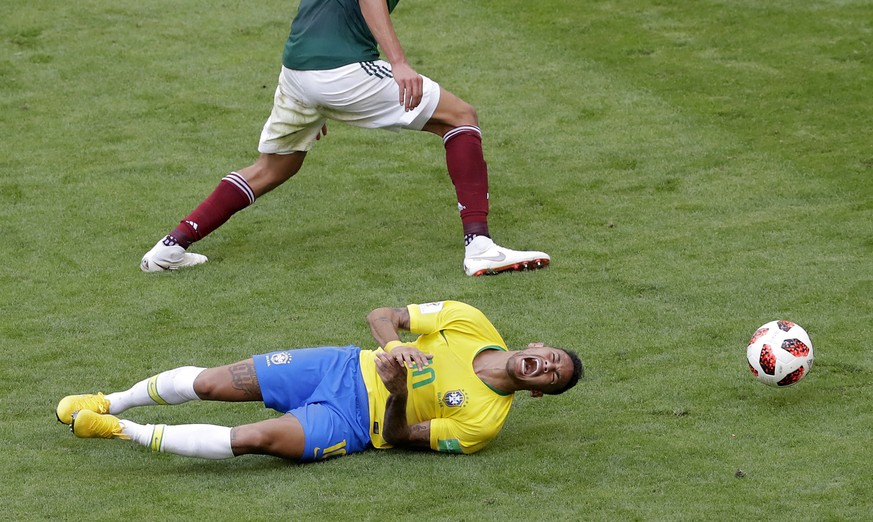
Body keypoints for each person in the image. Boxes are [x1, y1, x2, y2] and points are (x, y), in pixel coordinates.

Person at [139, 0, 550, 277]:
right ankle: (479, 246)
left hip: (299, 68)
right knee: (460, 117)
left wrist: (317, 99)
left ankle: (170, 247)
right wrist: (399, 63)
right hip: (342, 69)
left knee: (276, 166)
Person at [56, 301, 583, 462]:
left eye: (553, 378)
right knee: (216, 383)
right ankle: (111, 399)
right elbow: (384, 315)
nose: (547, 367)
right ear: (537, 348)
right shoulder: (469, 320)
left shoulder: (483, 425)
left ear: (538, 392)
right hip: (339, 365)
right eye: (552, 357)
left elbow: (399, 439)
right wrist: (395, 348)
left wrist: (398, 396)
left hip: (352, 423)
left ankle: (117, 430)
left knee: (253, 439)